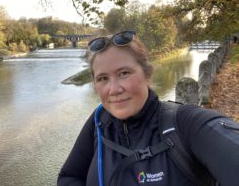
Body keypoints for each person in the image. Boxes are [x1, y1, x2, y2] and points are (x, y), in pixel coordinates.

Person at [57, 30, 239, 186]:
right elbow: (69, 177)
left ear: (148, 75)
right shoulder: (99, 121)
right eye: (103, 78)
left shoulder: (187, 124)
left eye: (123, 73)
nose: (114, 89)